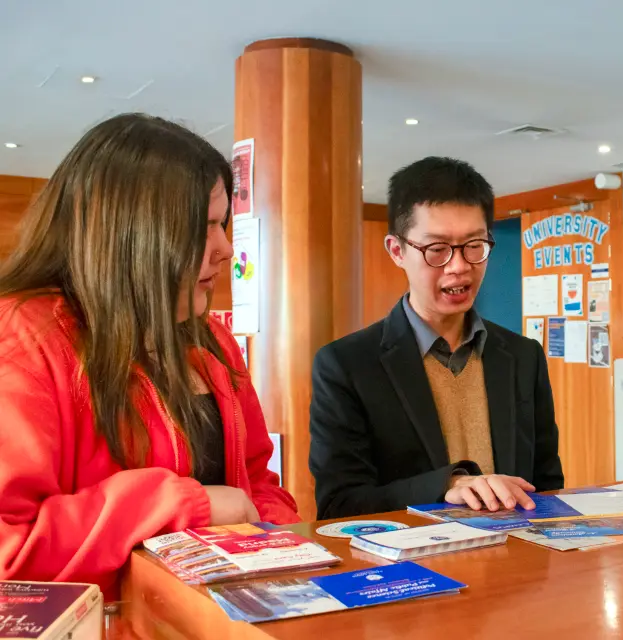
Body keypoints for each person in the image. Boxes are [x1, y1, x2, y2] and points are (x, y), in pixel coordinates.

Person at [0, 114, 300, 595]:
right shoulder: (26, 339)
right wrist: (185, 503)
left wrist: (281, 544)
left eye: (224, 225)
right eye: (205, 228)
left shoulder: (211, 342)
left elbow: (258, 483)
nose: (225, 248)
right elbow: (11, 550)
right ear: (130, 235)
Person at [309, 156, 564, 518]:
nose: (459, 266)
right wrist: (447, 485)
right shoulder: (347, 365)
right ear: (397, 251)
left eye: (474, 245)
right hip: (410, 570)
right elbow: (340, 504)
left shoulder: (524, 356)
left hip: (517, 563)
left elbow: (547, 485)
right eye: (437, 249)